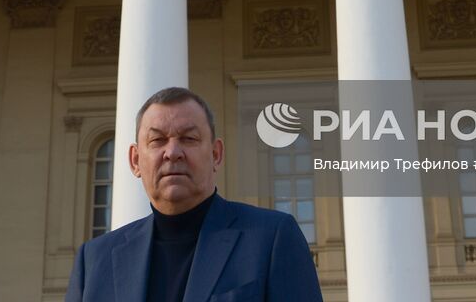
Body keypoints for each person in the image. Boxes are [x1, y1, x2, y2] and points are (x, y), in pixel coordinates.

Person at [65, 86, 322, 302]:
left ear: (216, 155)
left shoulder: (272, 238)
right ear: (135, 161)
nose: (173, 152)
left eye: (189, 138)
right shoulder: (94, 261)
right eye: (157, 140)